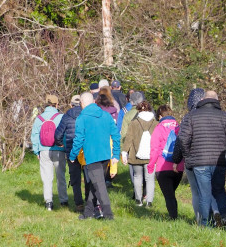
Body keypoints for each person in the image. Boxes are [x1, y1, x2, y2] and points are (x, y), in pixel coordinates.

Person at [178, 90, 226, 228]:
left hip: (199, 161)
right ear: (217, 99)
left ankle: (205, 224)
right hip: (219, 161)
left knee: (204, 194)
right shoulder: (224, 116)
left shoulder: (191, 116)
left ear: (203, 99)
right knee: (219, 190)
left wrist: (188, 155)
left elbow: (183, 139)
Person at [69, 92, 120, 220]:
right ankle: (88, 212)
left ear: (81, 103)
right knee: (95, 184)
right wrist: (116, 153)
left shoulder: (82, 118)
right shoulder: (106, 115)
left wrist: (73, 155)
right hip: (105, 156)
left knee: (100, 186)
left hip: (92, 157)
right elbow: (116, 135)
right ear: (93, 101)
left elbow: (78, 139)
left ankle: (109, 215)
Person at [30, 94, 67, 210]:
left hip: (44, 150)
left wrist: (36, 151)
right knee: (61, 176)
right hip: (59, 150)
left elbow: (34, 136)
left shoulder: (39, 118)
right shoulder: (61, 117)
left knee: (47, 178)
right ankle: (63, 200)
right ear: (57, 105)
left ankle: (48, 202)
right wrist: (65, 148)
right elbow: (65, 134)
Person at [148, 105, 185, 219]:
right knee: (171, 193)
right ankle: (174, 216)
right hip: (178, 167)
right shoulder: (180, 127)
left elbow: (154, 149)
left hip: (162, 167)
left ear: (160, 116)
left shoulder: (159, 128)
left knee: (169, 195)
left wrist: (150, 166)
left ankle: (173, 218)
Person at [122, 100, 158, 207]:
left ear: (138, 110)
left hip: (135, 155)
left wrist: (124, 153)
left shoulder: (134, 123)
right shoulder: (156, 123)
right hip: (151, 156)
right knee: (150, 178)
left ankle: (138, 200)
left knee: (137, 177)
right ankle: (149, 201)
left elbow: (128, 139)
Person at [55, 95, 85, 212]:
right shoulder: (86, 114)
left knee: (75, 178)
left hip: (71, 149)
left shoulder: (67, 115)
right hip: (85, 149)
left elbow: (58, 134)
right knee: (88, 177)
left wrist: (60, 144)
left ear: (71, 104)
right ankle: (90, 202)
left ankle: (79, 204)